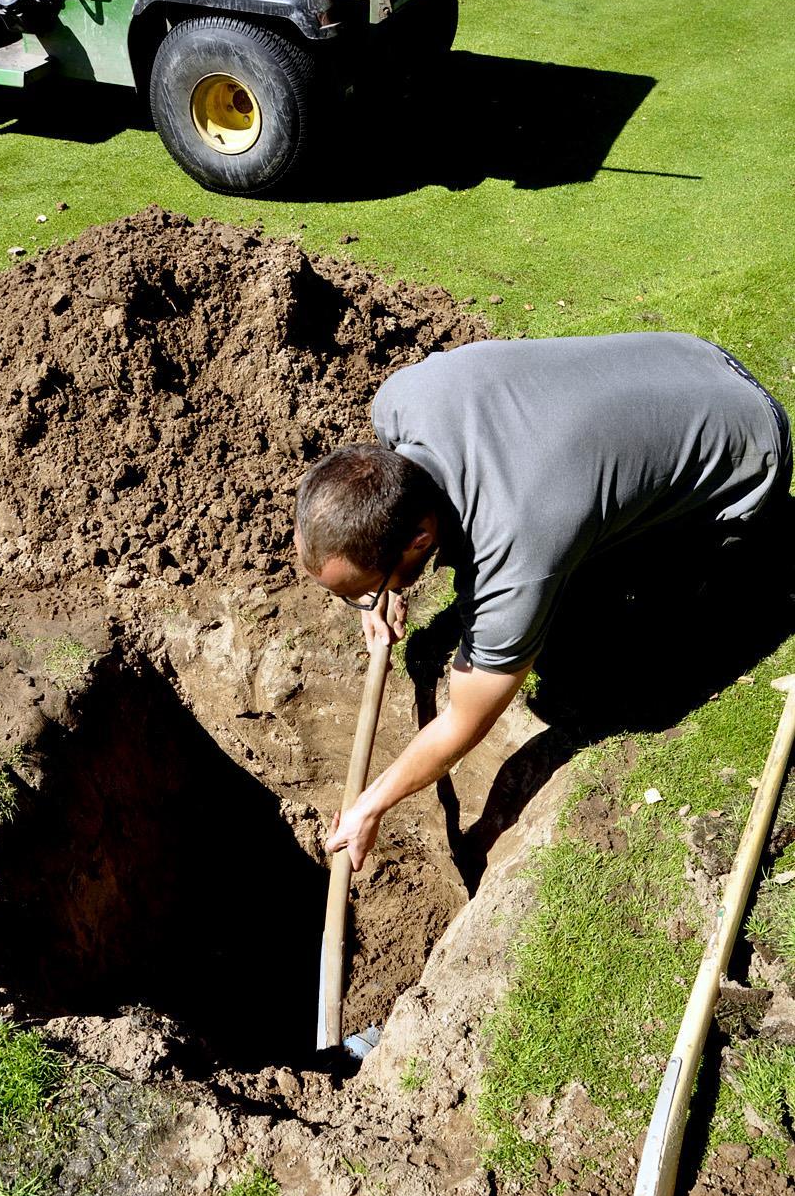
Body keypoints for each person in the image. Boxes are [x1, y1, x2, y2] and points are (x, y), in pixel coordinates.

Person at [294, 332, 793, 873]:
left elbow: (464, 719)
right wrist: (380, 592)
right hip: (688, 358)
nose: (368, 603)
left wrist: (371, 804)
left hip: (747, 450)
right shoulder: (404, 398)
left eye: (366, 588)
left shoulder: (519, 547)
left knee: (612, 667)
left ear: (418, 539)